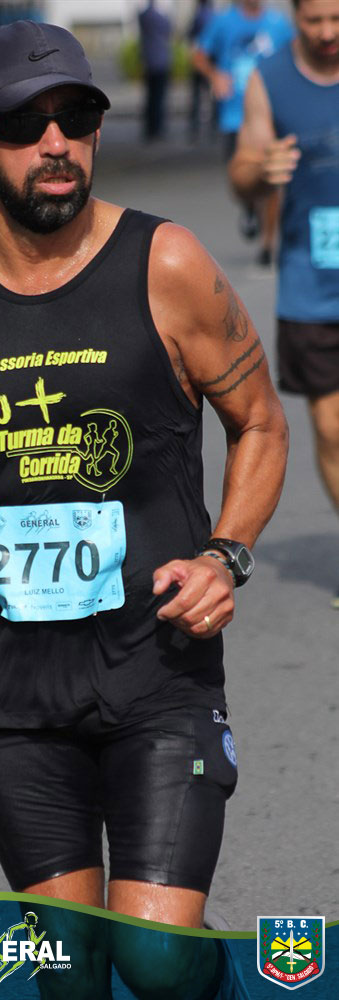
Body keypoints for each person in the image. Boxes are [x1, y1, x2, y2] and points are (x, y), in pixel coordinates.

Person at [0, 19, 288, 998]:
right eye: (25, 123)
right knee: (67, 971)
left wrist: (225, 554)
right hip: (10, 684)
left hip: (157, 668)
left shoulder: (166, 263)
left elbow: (262, 424)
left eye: (76, 117)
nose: (55, 142)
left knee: (153, 957)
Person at [228, 0, 339, 606]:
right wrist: (260, 171)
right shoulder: (268, 80)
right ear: (294, 16)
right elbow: (242, 173)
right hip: (310, 284)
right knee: (331, 427)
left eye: (337, 19)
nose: (326, 32)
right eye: (314, 19)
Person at [193, 0, 293, 265]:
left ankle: (268, 243)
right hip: (234, 118)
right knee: (242, 178)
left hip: (271, 115)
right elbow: (199, 55)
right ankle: (249, 206)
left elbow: (296, 56)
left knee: (272, 178)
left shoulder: (278, 24)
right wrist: (215, 76)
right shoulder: (223, 21)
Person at [137, 0, 173, 141]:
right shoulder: (159, 17)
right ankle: (157, 128)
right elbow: (168, 29)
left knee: (151, 98)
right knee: (158, 98)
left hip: (149, 61)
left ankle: (150, 128)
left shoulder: (144, 16)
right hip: (160, 62)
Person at [188, 0, 215, 141]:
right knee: (212, 96)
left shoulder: (198, 15)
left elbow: (190, 34)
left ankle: (194, 127)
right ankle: (214, 127)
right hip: (210, 60)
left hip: (200, 60)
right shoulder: (212, 15)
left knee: (197, 96)